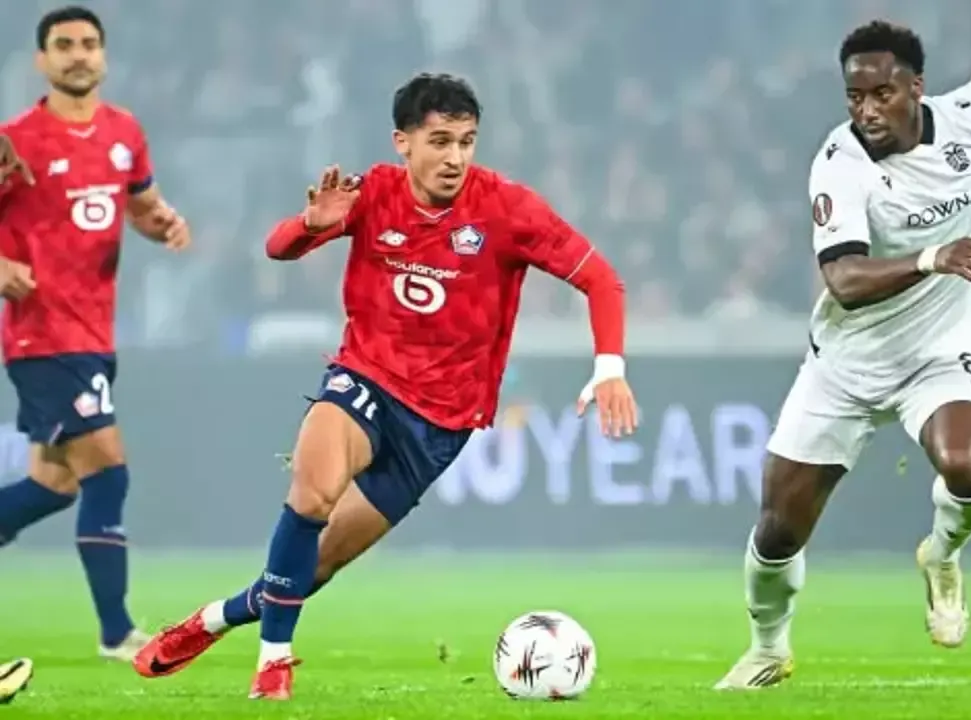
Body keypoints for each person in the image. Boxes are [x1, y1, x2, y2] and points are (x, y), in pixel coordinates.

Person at [132, 72, 637, 701]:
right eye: (440, 141)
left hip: (442, 424)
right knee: (311, 495)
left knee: (313, 565)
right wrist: (310, 225)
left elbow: (601, 280)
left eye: (467, 142)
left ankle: (210, 621)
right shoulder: (371, 192)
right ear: (404, 141)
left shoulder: (507, 208)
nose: (455, 157)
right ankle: (273, 666)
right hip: (366, 378)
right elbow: (277, 248)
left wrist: (609, 367)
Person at [715, 20, 971, 689]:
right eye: (854, 97)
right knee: (777, 531)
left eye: (881, 94)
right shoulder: (840, 163)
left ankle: (941, 555)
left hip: (942, 352)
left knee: (968, 466)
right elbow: (843, 279)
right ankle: (768, 649)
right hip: (845, 366)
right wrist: (933, 257)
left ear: (917, 87)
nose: (865, 110)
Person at [0, 5, 190, 662]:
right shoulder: (15, 141)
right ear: (41, 60)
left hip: (93, 332)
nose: (78, 54)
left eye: (88, 43)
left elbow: (139, 205)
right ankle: (117, 633)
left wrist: (161, 223)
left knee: (53, 485)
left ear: (103, 56)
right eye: (63, 45)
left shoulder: (124, 132)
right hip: (43, 335)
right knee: (107, 470)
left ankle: (115, 630)